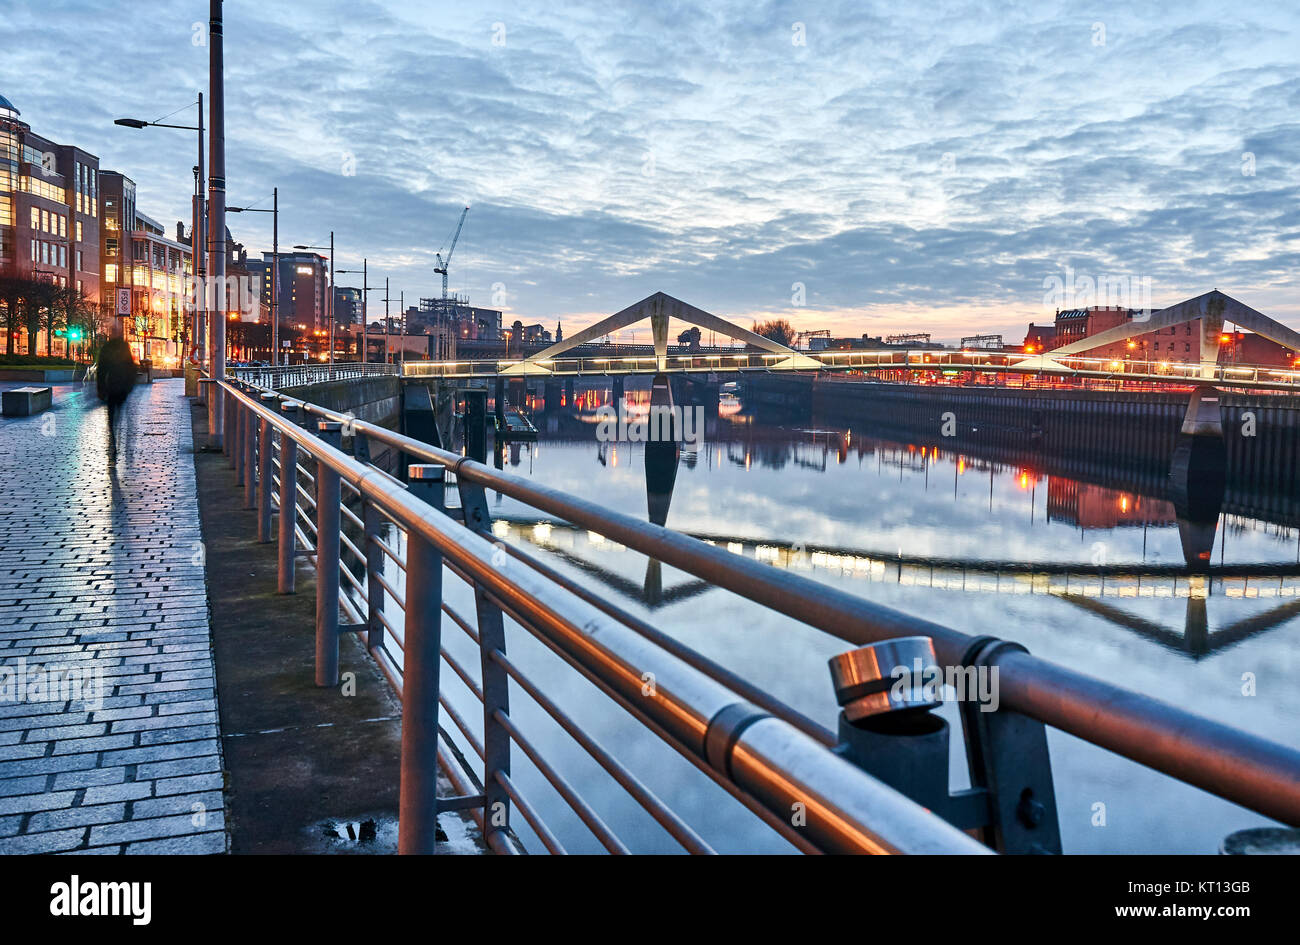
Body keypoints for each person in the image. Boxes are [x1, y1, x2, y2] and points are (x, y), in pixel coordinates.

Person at [95, 327, 136, 465]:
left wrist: (101, 388)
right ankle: (122, 445)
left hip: (112, 388)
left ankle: (113, 446)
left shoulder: (107, 348)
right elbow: (131, 367)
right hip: (121, 388)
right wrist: (130, 385)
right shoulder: (124, 347)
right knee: (122, 418)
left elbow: (101, 370)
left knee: (112, 420)